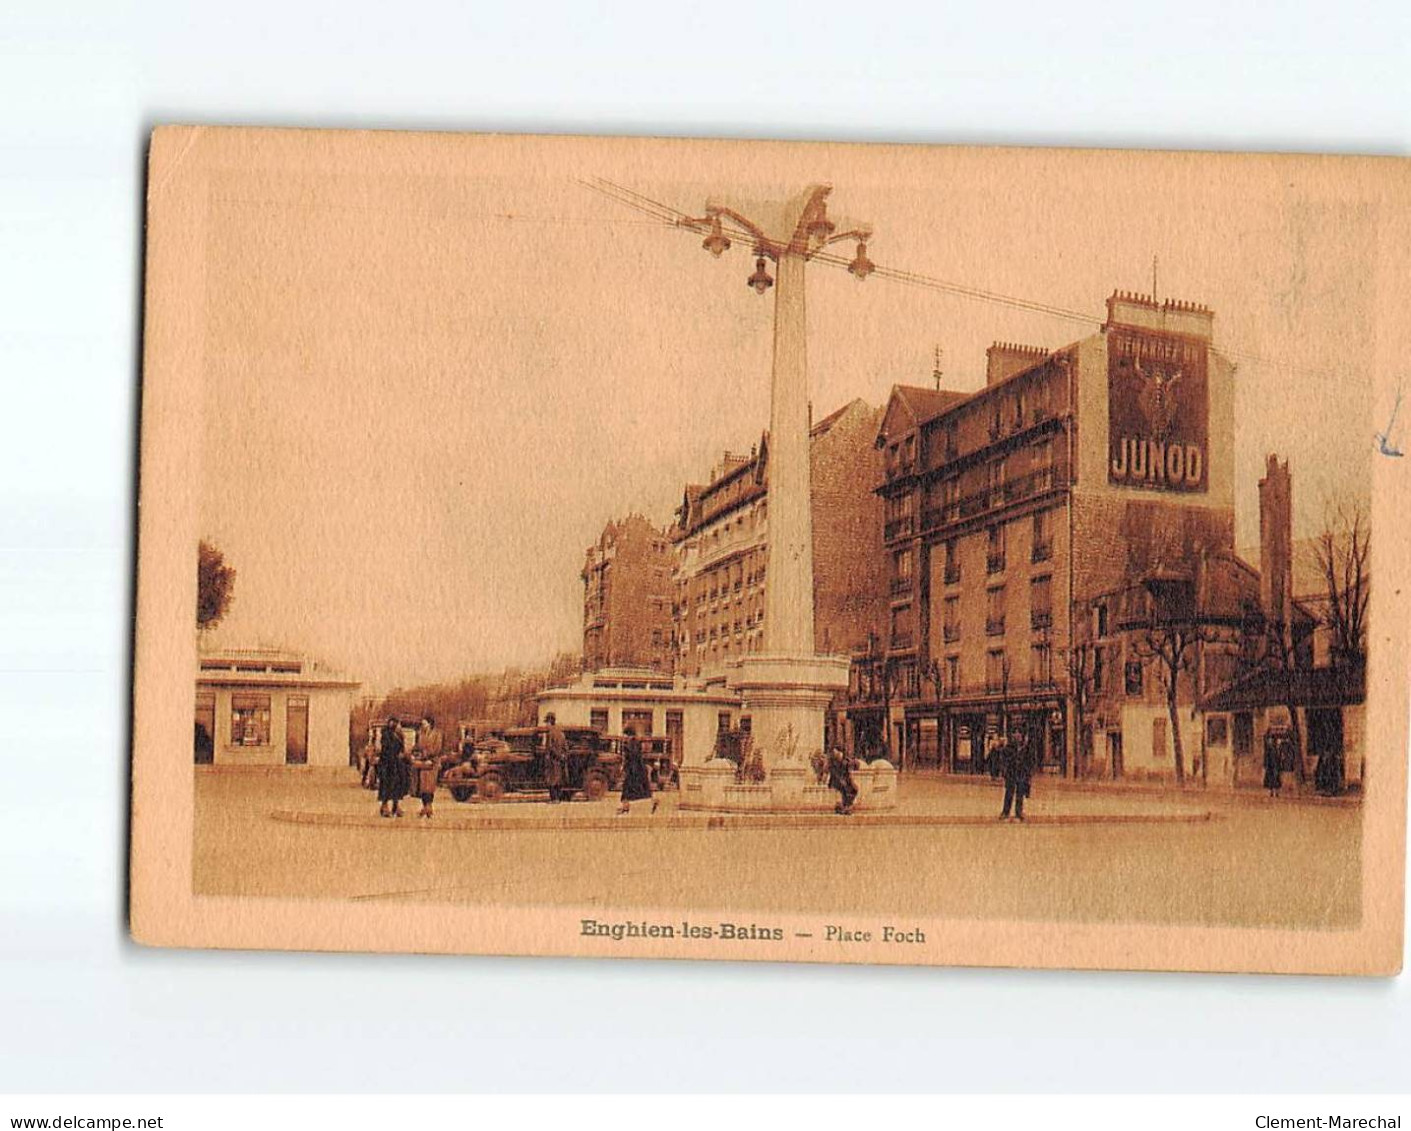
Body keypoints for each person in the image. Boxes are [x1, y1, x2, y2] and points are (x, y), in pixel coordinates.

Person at [617, 726, 657, 816]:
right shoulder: (634, 742)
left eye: (625, 735)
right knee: (641, 790)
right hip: (636, 769)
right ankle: (626, 807)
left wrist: (626, 768)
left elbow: (632, 757)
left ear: (628, 734)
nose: (624, 737)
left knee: (629, 789)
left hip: (634, 770)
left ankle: (625, 807)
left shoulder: (632, 743)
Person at [412, 715, 444, 819]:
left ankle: (429, 806)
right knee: (423, 786)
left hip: (432, 762)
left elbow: (437, 748)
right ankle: (425, 806)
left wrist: (427, 754)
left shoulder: (437, 734)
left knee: (430, 786)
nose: (423, 725)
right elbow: (417, 746)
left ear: (430, 724)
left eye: (424, 723)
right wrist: (416, 753)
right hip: (423, 762)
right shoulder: (420, 734)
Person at [376, 716, 409, 818]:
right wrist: (396, 754)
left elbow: (402, 747)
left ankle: (396, 806)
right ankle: (384, 807)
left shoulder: (399, 734)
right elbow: (386, 749)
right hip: (387, 764)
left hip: (397, 764)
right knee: (386, 785)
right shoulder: (385, 734)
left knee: (397, 786)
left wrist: (402, 754)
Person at [998, 730, 1034, 822]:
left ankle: (1018, 812)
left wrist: (1028, 774)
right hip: (1011, 773)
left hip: (1022, 773)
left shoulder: (1026, 748)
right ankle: (1006, 812)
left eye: (1019, 733)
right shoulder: (1009, 748)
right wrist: (1005, 772)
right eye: (1015, 733)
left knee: (1020, 794)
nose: (1017, 736)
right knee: (1009, 793)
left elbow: (1030, 761)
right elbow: (1004, 761)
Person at [827, 746, 859, 815]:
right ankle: (844, 806)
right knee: (845, 789)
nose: (835, 754)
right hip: (837, 781)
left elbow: (849, 772)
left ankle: (847, 806)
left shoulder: (846, 761)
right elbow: (833, 774)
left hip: (845, 781)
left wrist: (850, 780)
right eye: (834, 753)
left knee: (853, 789)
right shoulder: (833, 763)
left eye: (836, 752)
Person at [544, 713, 568, 804]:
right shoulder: (561, 734)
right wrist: (563, 756)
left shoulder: (550, 734)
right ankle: (558, 799)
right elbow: (566, 747)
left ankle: (554, 799)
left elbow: (550, 747)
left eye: (547, 722)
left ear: (550, 722)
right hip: (560, 761)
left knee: (551, 780)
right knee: (558, 780)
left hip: (552, 761)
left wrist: (556, 755)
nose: (546, 725)